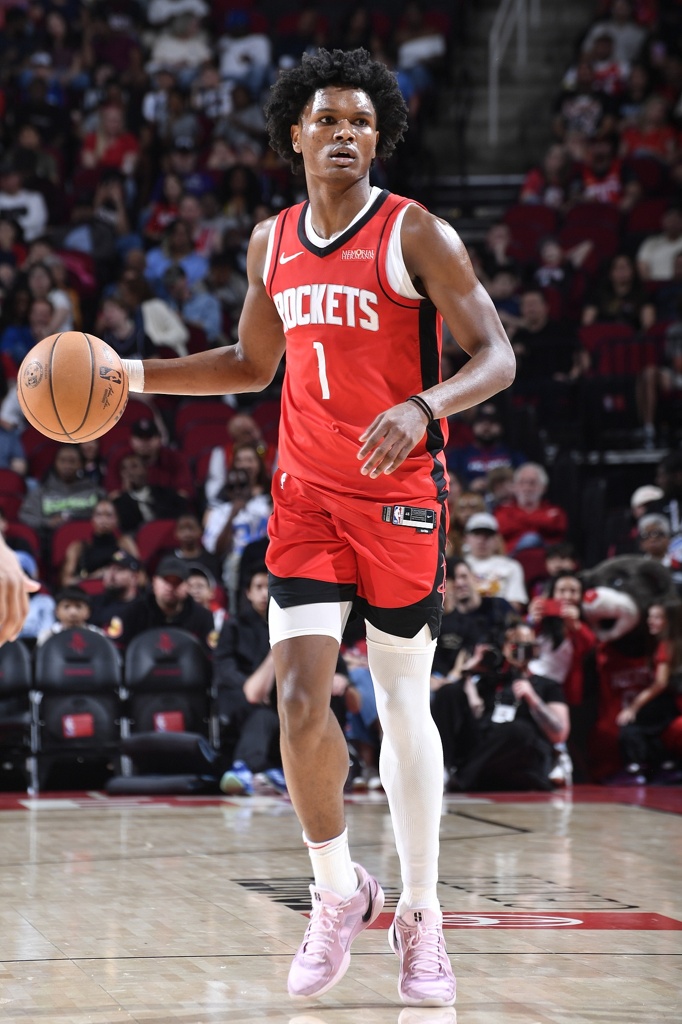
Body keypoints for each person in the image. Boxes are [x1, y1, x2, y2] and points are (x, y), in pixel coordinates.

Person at [115, 47, 514, 1006]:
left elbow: (496, 356)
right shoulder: (272, 242)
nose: (345, 134)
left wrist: (423, 406)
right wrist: (130, 375)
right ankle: (338, 889)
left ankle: (421, 914)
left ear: (381, 139)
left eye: (362, 122)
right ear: (294, 132)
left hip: (400, 496)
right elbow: (252, 365)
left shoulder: (417, 234)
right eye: (328, 119)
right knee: (298, 699)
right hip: (306, 498)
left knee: (402, 704)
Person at [437, 620, 570, 793]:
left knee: (519, 730)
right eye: (515, 644)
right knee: (449, 691)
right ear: (505, 648)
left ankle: (462, 778)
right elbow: (473, 709)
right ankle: (444, 769)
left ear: (535, 648)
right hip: (486, 750)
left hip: (520, 758)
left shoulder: (548, 685)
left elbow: (559, 733)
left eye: (527, 645)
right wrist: (468, 672)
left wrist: (533, 699)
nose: (521, 650)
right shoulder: (491, 681)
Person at [214, 565, 287, 796]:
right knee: (262, 714)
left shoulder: (287, 624)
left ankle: (261, 772)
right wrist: (251, 686)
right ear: (248, 593)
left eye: (269, 587)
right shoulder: (233, 626)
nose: (265, 593)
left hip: (277, 700)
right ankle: (246, 768)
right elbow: (225, 670)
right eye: (258, 587)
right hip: (239, 699)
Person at [611, 602, 682, 784]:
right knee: (654, 731)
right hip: (672, 703)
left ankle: (634, 769)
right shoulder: (671, 644)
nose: (651, 621)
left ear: (670, 621)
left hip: (670, 702)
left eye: (657, 617)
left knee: (630, 724)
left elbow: (660, 683)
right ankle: (665, 767)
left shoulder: (667, 645)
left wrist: (633, 707)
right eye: (650, 616)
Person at [115, 555, 215, 653]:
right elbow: (116, 652)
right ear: (154, 582)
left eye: (177, 582)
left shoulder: (203, 617)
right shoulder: (132, 613)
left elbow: (210, 655)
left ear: (187, 586)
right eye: (166, 580)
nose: (170, 587)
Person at [59, 498, 139, 588]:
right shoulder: (79, 547)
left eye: (109, 515)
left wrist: (117, 577)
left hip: (118, 592)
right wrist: (95, 576)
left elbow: (141, 578)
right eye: (99, 515)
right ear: (92, 519)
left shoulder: (125, 543)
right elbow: (66, 581)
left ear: (117, 520)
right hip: (87, 593)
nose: (103, 520)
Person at [463, 511, 528, 612]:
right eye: (477, 534)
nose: (482, 540)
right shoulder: (458, 566)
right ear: (466, 538)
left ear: (496, 539)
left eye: (487, 535)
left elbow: (515, 604)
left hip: (499, 617)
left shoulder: (511, 566)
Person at [36, 585, 105, 646]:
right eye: (66, 607)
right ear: (56, 612)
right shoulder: (47, 636)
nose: (73, 613)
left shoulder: (98, 635)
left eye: (78, 606)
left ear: (88, 612)